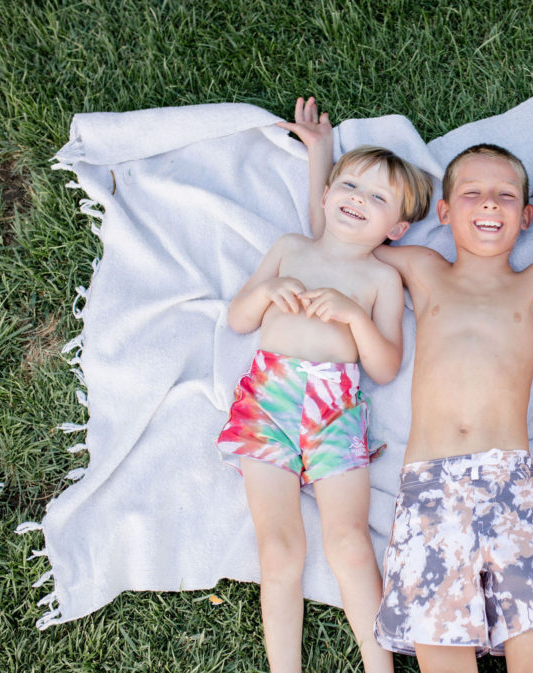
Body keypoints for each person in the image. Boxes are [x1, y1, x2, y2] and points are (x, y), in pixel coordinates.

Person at [302, 98, 533, 672]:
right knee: (441, 653)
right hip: (430, 489)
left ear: (526, 217)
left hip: (514, 485)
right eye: (473, 193)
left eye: (505, 195)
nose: (488, 203)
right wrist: (320, 157)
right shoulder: (424, 268)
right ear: (445, 212)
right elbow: (339, 240)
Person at [216, 97, 433, 673]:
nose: (359, 199)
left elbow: (385, 368)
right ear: (327, 196)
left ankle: (379, 666)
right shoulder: (292, 248)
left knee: (348, 542)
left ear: (398, 228)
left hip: (335, 408)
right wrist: (266, 292)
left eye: (378, 198)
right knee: (279, 547)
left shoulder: (381, 278)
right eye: (351, 186)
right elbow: (239, 318)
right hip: (269, 400)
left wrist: (354, 317)